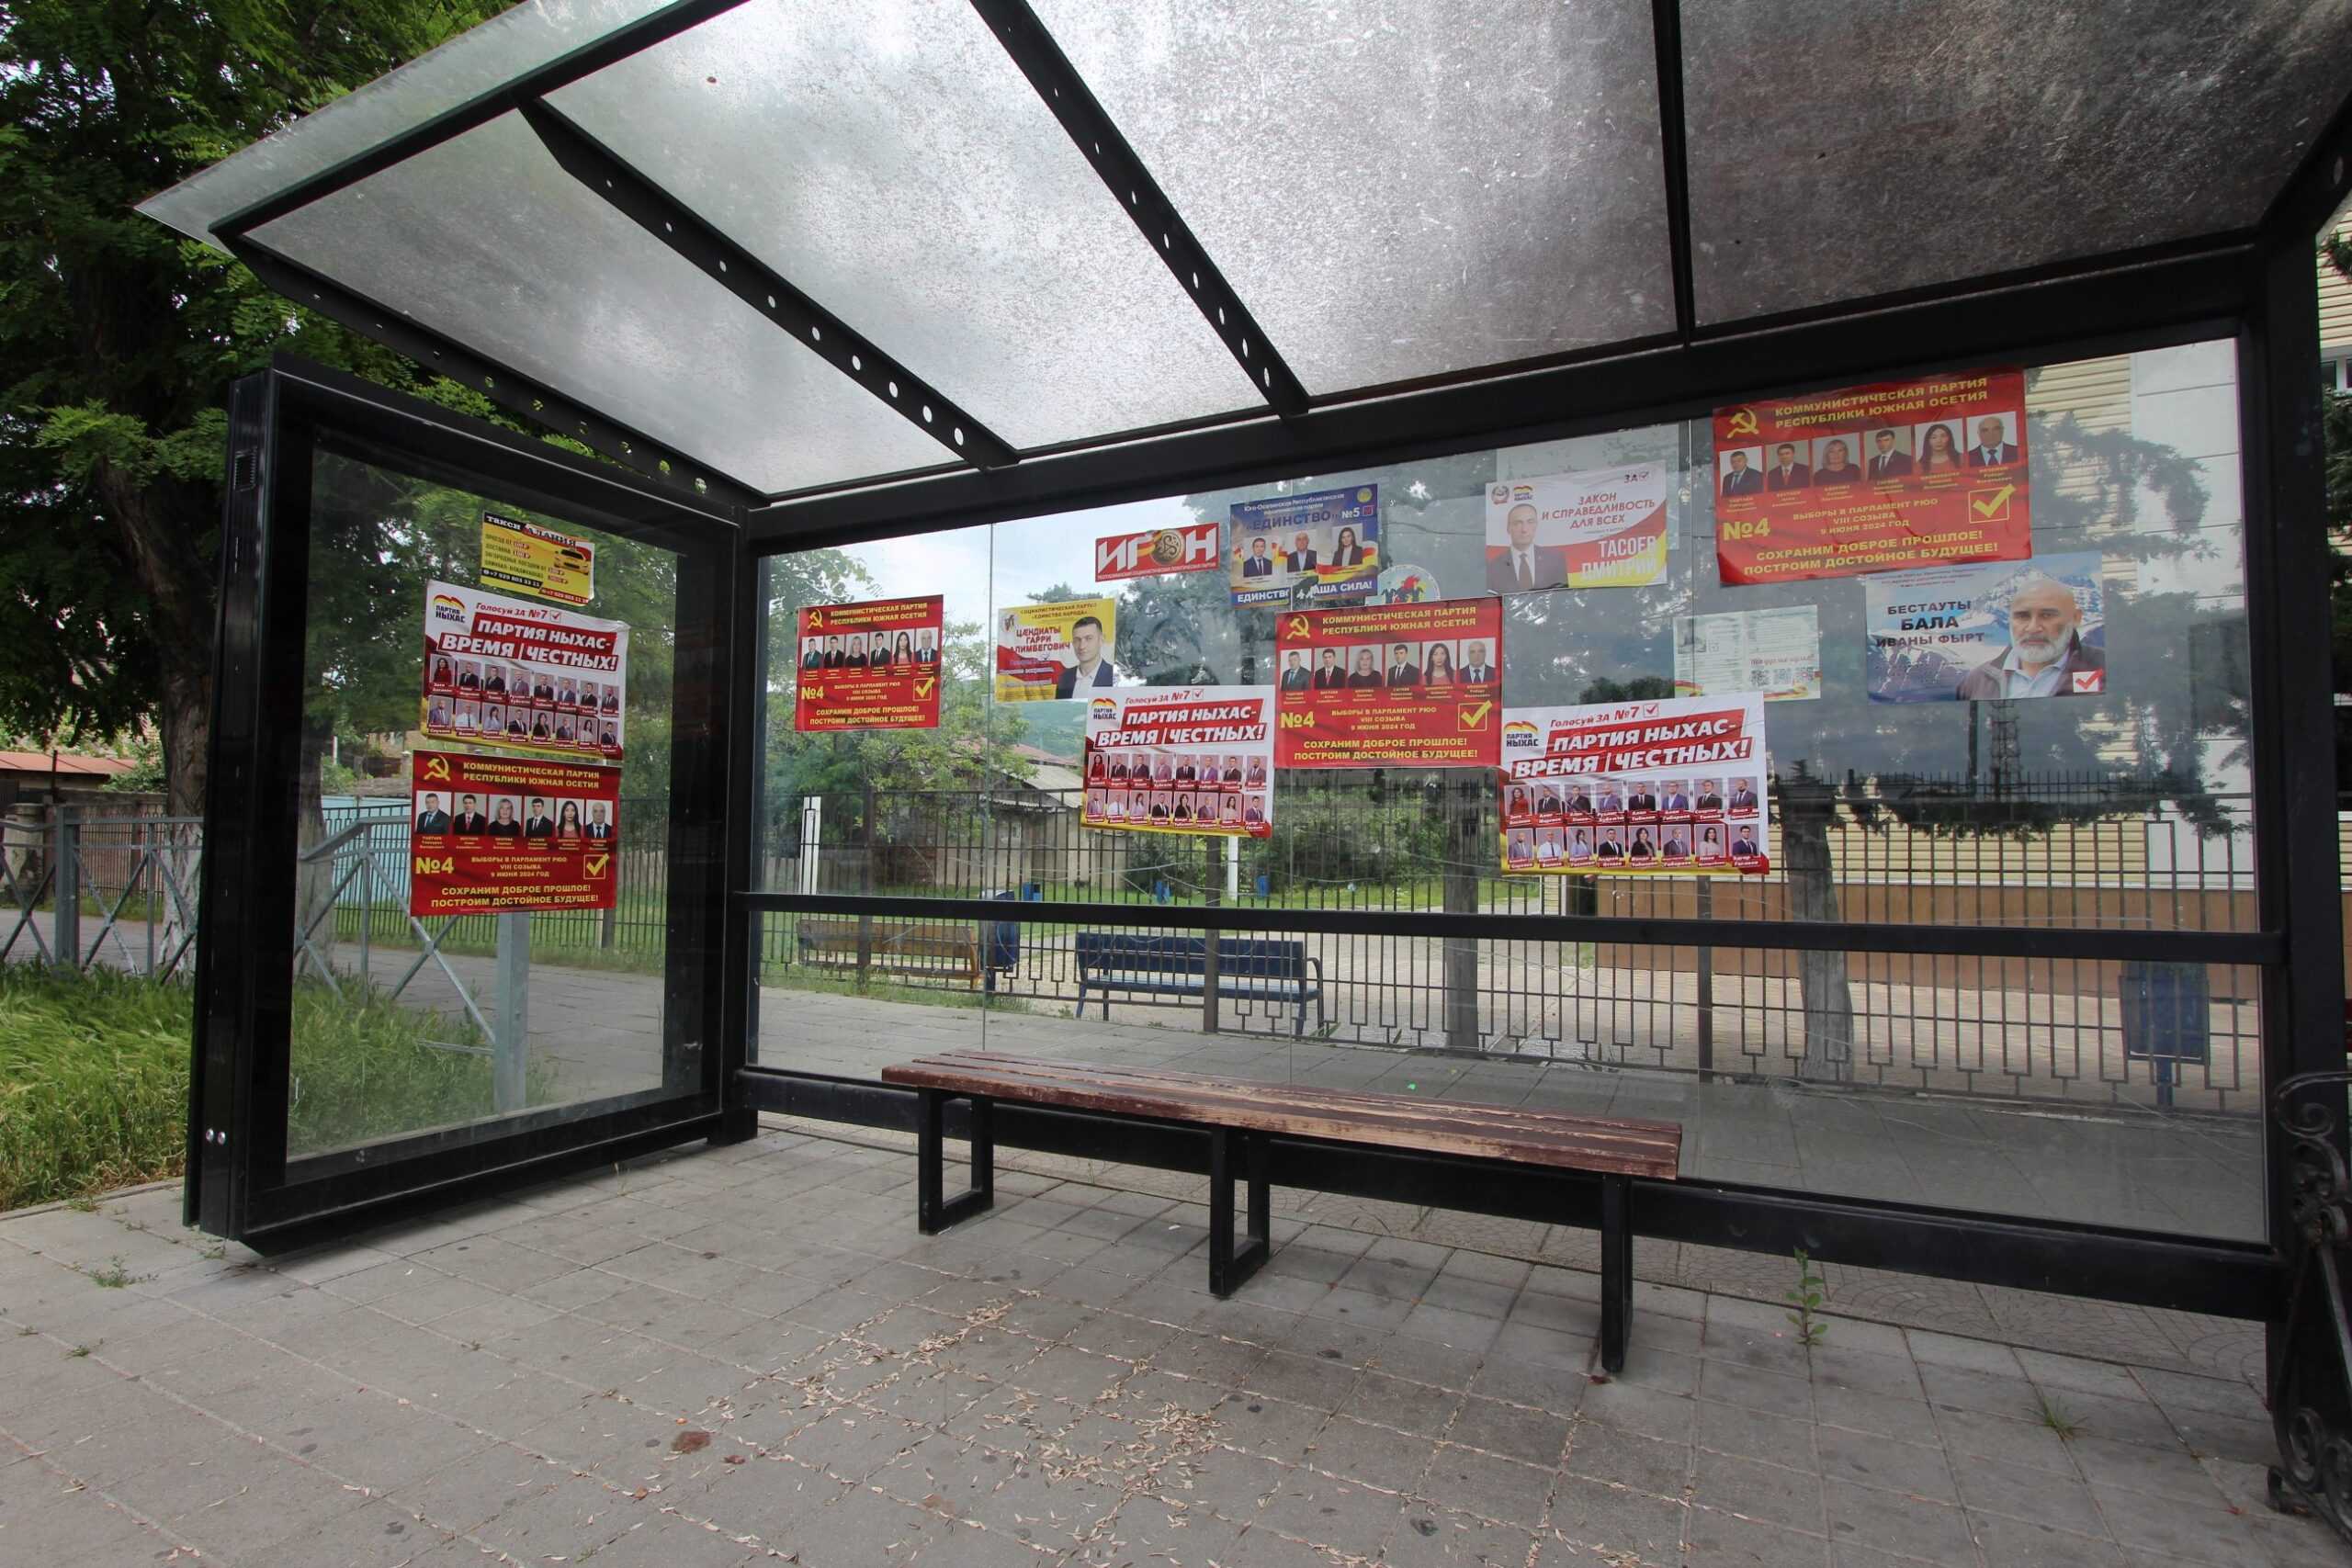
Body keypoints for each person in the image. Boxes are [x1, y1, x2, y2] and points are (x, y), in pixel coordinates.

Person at [1953, 576, 2105, 699]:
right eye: (2022, 616)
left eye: (2047, 615)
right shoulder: (1977, 681)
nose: (2033, 628)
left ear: (2075, 618)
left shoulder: (2105, 667)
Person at [1487, 502, 1566, 593]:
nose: (1524, 529)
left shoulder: (1555, 559)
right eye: (1517, 523)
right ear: (1508, 528)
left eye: (1530, 522)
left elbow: (1563, 595)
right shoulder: (1493, 567)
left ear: (1536, 525)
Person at [1054, 615, 1115, 697]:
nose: (1082, 646)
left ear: (1101, 640)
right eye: (1077, 640)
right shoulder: (1064, 678)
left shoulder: (1113, 675)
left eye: (1089, 638)